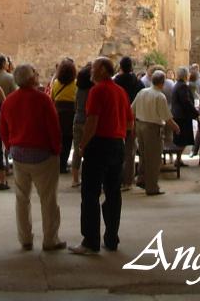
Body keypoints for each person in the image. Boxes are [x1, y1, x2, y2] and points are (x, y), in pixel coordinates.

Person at [0, 63, 66, 252]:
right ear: (31, 79)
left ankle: (25, 239)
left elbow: (3, 127)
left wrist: (10, 146)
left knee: (22, 198)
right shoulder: (42, 100)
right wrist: (56, 149)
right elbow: (53, 127)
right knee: (48, 199)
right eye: (35, 73)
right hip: (43, 154)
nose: (38, 75)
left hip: (19, 155)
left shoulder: (9, 101)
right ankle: (50, 240)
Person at [70, 56, 133, 256]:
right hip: (117, 145)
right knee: (114, 193)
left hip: (98, 145)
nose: (90, 71)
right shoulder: (121, 92)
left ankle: (90, 241)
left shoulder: (97, 91)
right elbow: (130, 123)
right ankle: (111, 239)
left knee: (90, 193)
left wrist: (82, 145)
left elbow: (92, 121)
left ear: (104, 70)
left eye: (94, 67)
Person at [132, 69, 179, 196]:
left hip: (140, 125)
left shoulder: (142, 92)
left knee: (143, 155)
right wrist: (176, 127)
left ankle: (142, 179)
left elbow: (132, 109)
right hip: (152, 128)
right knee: (153, 158)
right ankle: (152, 187)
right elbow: (166, 117)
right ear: (163, 82)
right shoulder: (159, 96)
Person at [113, 56, 142, 190]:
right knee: (130, 151)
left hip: (117, 118)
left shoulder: (115, 82)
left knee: (117, 149)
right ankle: (128, 180)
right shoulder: (137, 82)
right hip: (133, 118)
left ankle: (116, 178)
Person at [50, 58, 77, 173]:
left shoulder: (56, 84)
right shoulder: (76, 84)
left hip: (58, 114)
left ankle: (56, 163)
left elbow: (52, 98)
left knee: (58, 140)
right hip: (70, 115)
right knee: (67, 141)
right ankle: (63, 165)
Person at [70, 63, 92, 188]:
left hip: (78, 119)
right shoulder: (93, 90)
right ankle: (88, 178)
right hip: (89, 121)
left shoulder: (78, 90)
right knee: (89, 150)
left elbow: (75, 105)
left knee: (77, 150)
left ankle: (75, 179)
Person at [171, 66, 196, 167]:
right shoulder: (182, 86)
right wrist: (196, 113)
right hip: (182, 117)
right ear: (186, 75)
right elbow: (186, 102)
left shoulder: (178, 85)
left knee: (180, 140)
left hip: (178, 116)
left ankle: (178, 159)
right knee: (183, 140)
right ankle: (178, 159)